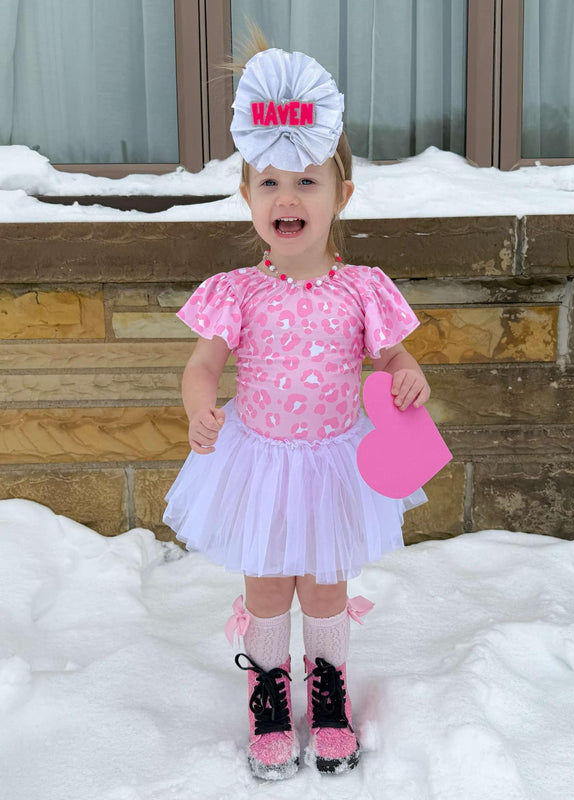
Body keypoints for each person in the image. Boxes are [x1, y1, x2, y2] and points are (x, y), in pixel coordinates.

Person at [163, 41, 430, 782]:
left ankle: (331, 691)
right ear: (248, 196)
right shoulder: (238, 292)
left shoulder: (363, 288)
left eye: (307, 181)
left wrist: (409, 379)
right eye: (270, 182)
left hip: (334, 459)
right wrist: (199, 407)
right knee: (267, 583)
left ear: (340, 195)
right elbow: (203, 364)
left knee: (325, 584)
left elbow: (396, 360)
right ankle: (270, 691)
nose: (288, 198)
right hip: (259, 460)